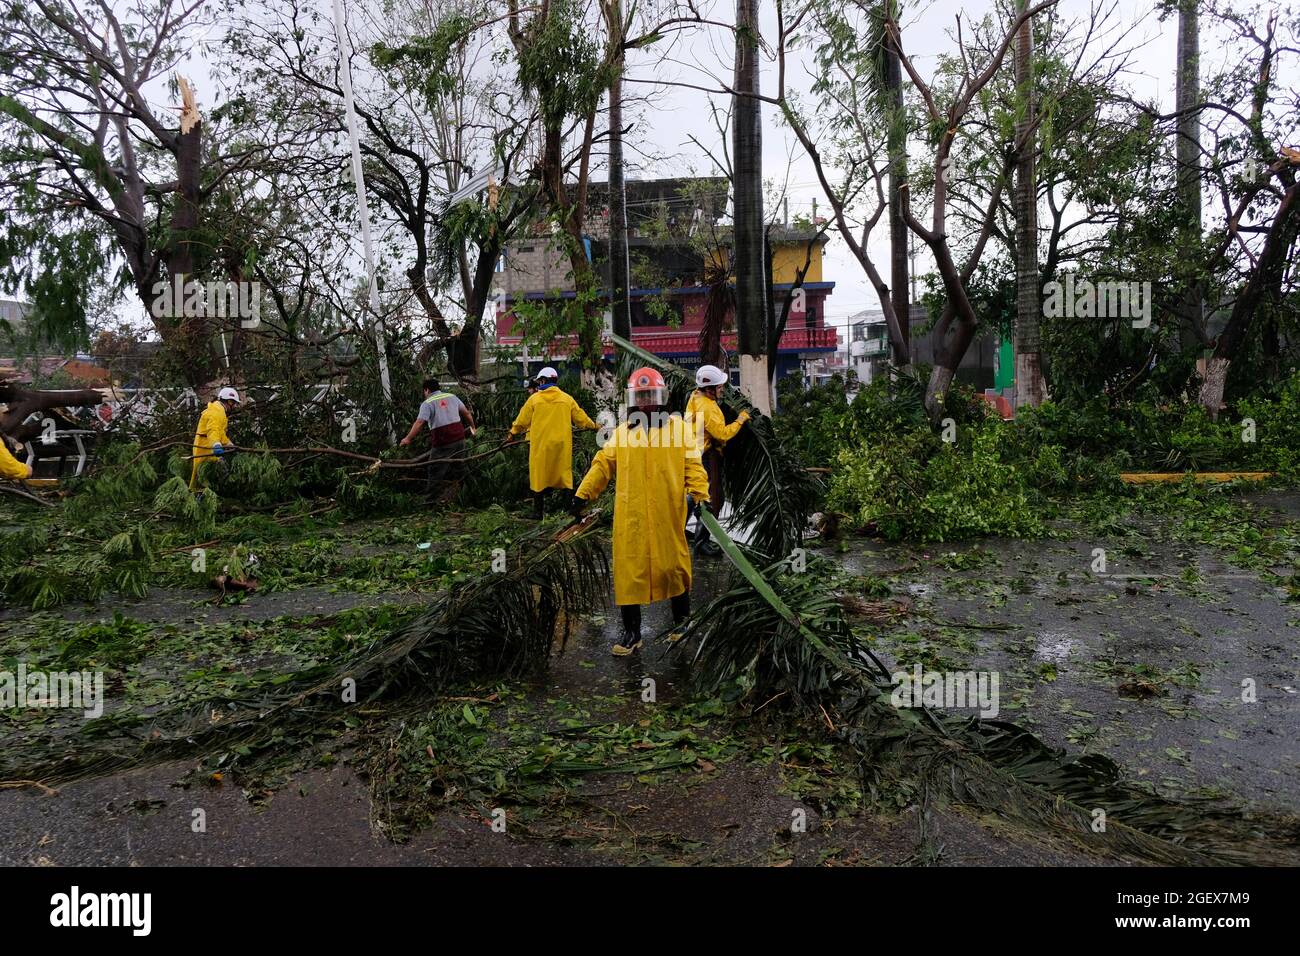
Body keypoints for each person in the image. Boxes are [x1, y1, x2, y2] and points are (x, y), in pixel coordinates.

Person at [570, 367, 710, 656]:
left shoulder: (679, 430)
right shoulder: (622, 434)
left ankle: (681, 624)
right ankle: (632, 633)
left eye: (651, 395)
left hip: (667, 514)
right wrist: (582, 494)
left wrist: (699, 495)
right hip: (631, 517)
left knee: (674, 567)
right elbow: (603, 465)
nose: (646, 402)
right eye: (641, 396)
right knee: (629, 573)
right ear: (633, 400)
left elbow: (693, 465)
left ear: (662, 397)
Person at [507, 366, 599, 518]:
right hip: (561, 447)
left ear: (543, 381)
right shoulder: (567, 399)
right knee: (563, 475)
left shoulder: (534, 400)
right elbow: (581, 419)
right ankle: (568, 511)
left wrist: (512, 432)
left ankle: (538, 513)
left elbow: (522, 420)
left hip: (540, 447)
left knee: (539, 477)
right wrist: (595, 426)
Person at [684, 364, 750, 555]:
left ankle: (680, 530)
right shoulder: (708, 408)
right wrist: (740, 420)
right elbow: (721, 434)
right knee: (711, 499)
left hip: (692, 452)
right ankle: (701, 542)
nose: (722, 389)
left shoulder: (696, 396)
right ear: (710, 389)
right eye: (719, 387)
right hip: (703, 456)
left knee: (693, 495)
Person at [400, 376, 476, 501]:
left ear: (426, 390)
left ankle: (430, 500)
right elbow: (466, 413)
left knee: (435, 469)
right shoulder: (452, 397)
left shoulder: (428, 403)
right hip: (459, 438)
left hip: (443, 441)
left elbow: (419, 422)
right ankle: (471, 493)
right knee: (460, 467)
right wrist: (473, 427)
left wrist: (408, 438)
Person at [190, 386, 240, 490]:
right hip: (205, 451)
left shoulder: (219, 411)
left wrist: (229, 444)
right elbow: (212, 431)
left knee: (205, 480)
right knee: (203, 479)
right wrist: (216, 445)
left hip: (209, 450)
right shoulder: (216, 411)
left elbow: (219, 433)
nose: (234, 406)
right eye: (234, 403)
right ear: (229, 401)